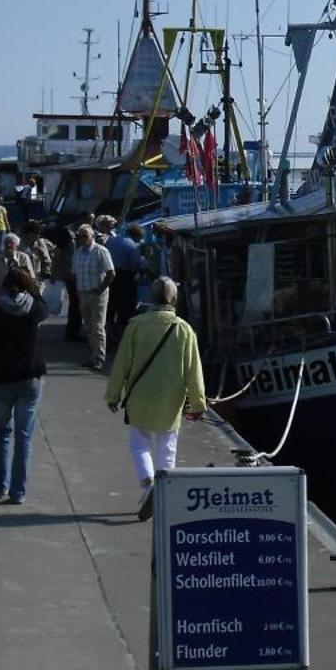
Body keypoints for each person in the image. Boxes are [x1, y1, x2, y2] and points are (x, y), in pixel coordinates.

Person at [105, 277, 206, 521]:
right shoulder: (183, 329)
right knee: (167, 449)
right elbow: (194, 370)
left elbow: (122, 364)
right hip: (170, 399)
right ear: (173, 299)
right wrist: (198, 402)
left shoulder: (136, 325)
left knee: (139, 444)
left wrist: (113, 394)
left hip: (140, 396)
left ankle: (148, 484)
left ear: (151, 298)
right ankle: (163, 492)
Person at [0, 266, 47, 503]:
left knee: (1, 433)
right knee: (23, 435)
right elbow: (45, 306)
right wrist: (33, 289)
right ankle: (18, 492)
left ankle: (0, 487)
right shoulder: (35, 309)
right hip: (29, 376)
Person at [71, 223, 116, 372]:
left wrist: (101, 289)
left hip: (97, 294)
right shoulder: (77, 252)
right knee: (89, 327)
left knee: (97, 327)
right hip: (83, 292)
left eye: (85, 236)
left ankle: (99, 358)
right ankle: (93, 356)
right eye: (80, 236)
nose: (82, 239)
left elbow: (111, 272)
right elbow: (74, 272)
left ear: (92, 236)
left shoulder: (100, 251)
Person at [102, 218, 142, 355]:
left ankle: (107, 336)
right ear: (136, 235)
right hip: (124, 277)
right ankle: (121, 338)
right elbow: (134, 265)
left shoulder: (112, 240)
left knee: (110, 307)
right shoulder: (132, 246)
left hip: (108, 276)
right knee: (126, 309)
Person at [0, 232, 36, 304]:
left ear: (17, 246)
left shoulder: (23, 258)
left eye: (11, 243)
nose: (8, 245)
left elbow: (31, 278)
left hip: (18, 302)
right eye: (6, 243)